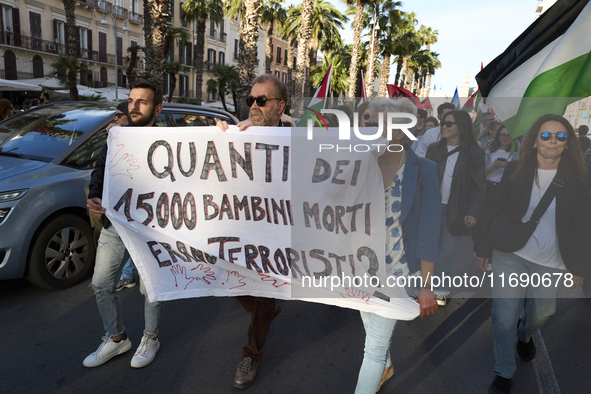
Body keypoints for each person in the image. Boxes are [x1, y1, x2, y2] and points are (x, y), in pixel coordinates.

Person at [476, 114, 590, 394]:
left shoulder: (579, 178)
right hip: (510, 253)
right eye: (546, 135)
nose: (553, 140)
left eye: (561, 136)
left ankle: (525, 334)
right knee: (503, 316)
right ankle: (504, 371)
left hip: (551, 261)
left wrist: (580, 266)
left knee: (541, 314)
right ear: (535, 141)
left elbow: (583, 224)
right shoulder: (516, 169)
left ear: (568, 143)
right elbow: (495, 208)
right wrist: (483, 248)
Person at [354, 98, 441, 393]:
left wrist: (426, 286)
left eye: (377, 123)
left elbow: (430, 229)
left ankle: (380, 366)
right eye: (368, 122)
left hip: (397, 274)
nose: (369, 128)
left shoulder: (424, 169)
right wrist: (244, 134)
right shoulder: (357, 160)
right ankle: (387, 365)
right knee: (371, 333)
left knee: (374, 349)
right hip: (358, 268)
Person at [84, 80, 165, 369]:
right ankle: (117, 339)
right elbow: (100, 171)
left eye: (142, 101)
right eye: (131, 100)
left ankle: (150, 337)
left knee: (150, 288)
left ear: (158, 108)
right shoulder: (115, 137)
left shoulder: (172, 140)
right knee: (101, 284)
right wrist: (94, 195)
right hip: (115, 223)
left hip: (152, 228)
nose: (134, 106)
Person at [218, 74, 287, 389]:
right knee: (233, 285)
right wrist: (218, 143)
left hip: (277, 239)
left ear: (280, 106)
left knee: (262, 296)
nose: (254, 106)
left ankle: (251, 355)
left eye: (262, 100)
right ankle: (269, 307)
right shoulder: (236, 135)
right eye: (251, 100)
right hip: (239, 232)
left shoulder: (296, 139)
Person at [426, 110, 486, 305]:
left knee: (447, 252)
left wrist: (473, 211)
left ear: (461, 127)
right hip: (431, 209)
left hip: (456, 211)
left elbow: (479, 186)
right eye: (443, 122)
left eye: (449, 123)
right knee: (427, 249)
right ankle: (422, 287)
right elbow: (424, 180)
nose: (444, 126)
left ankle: (441, 288)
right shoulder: (434, 149)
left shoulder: (475, 153)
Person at [471, 125, 518, 257]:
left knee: (496, 224)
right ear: (497, 137)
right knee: (479, 224)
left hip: (505, 190)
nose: (505, 138)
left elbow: (521, 175)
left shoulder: (516, 154)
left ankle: (488, 254)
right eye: (502, 135)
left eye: (509, 136)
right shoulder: (487, 152)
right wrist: (493, 167)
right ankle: (477, 250)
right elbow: (479, 175)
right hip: (487, 188)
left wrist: (508, 166)